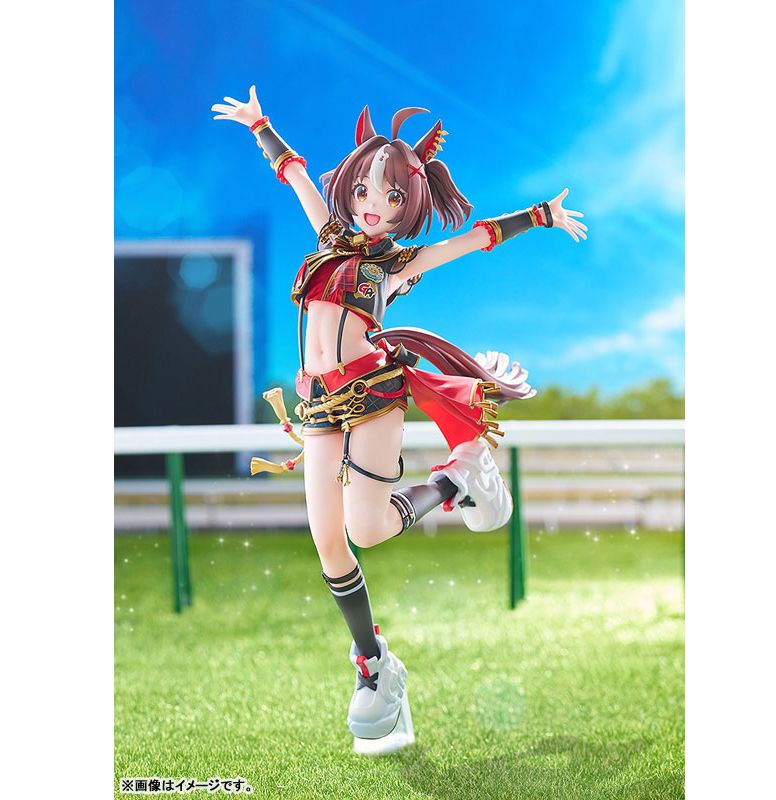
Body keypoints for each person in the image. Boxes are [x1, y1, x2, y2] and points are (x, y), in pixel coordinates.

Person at [212, 87, 588, 753]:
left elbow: (473, 240)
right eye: (365, 191)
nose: (374, 206)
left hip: (374, 393)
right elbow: (295, 173)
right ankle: (373, 663)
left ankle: (454, 479)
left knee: (368, 529)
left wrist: (540, 216)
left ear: (407, 203)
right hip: (318, 404)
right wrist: (260, 125)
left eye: (391, 197)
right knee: (329, 544)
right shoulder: (328, 238)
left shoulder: (398, 262)